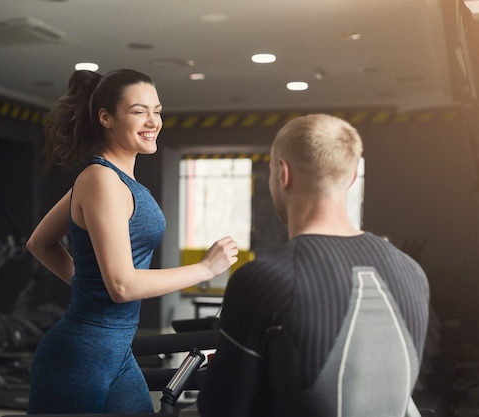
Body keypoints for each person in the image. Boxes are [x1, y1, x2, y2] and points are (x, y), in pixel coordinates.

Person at [25, 68, 239, 414]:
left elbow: (40, 243)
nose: (153, 121)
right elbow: (122, 286)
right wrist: (205, 268)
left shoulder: (113, 179)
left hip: (116, 352)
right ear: (106, 118)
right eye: (139, 111)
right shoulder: (101, 180)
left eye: (156, 110)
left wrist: (88, 286)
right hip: (81, 355)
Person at [197, 114, 430, 417]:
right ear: (351, 177)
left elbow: (221, 408)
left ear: (282, 174)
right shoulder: (413, 272)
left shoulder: (262, 280)